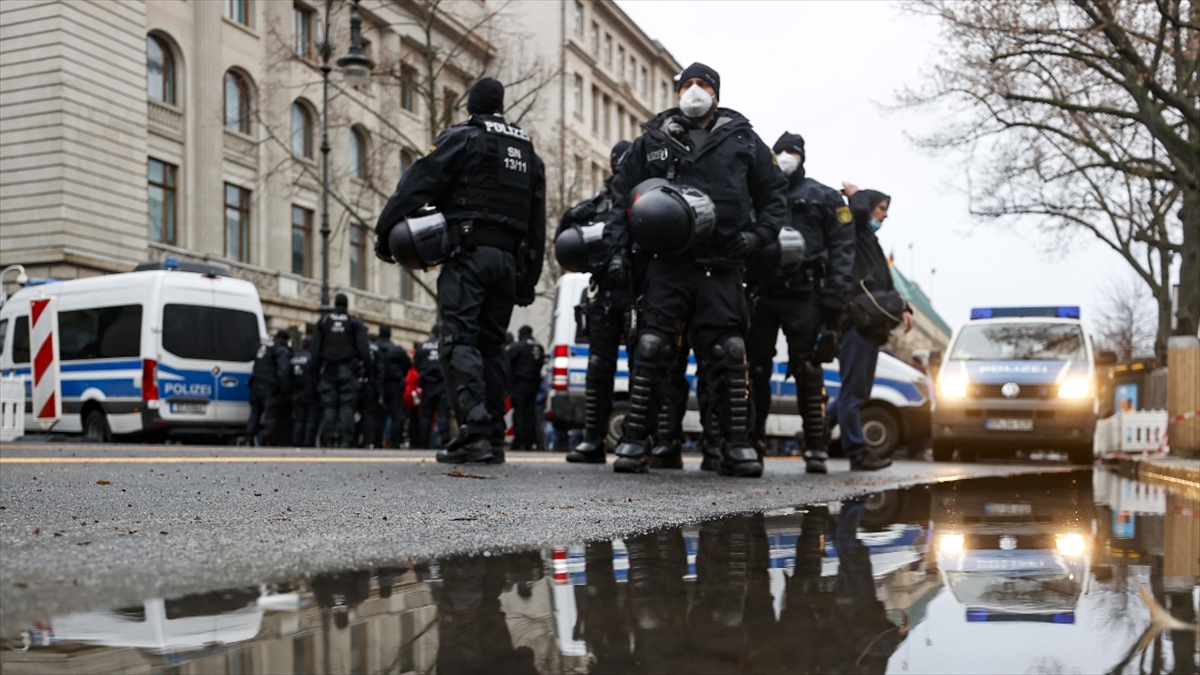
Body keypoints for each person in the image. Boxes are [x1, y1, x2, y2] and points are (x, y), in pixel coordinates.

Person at [604, 62, 788, 477]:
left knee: (728, 352)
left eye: (702, 84)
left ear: (716, 94)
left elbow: (774, 194)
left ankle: (734, 444)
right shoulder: (652, 140)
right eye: (686, 84)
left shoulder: (743, 140)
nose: (693, 90)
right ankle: (636, 441)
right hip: (667, 265)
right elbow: (622, 197)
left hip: (721, 265)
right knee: (651, 348)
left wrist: (758, 237)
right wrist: (617, 251)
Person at [375, 77, 546, 464]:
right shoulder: (527, 151)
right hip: (507, 261)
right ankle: (494, 438)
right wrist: (528, 278)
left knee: (457, 341)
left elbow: (416, 184)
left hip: (469, 255)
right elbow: (538, 223)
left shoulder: (464, 137)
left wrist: (385, 230)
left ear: (470, 106)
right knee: (490, 346)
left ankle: (476, 432)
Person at [746, 132, 855, 474]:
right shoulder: (759, 194)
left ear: (803, 157)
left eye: (793, 152)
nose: (787, 157)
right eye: (781, 152)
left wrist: (835, 299)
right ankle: (751, 443)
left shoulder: (823, 197)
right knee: (756, 369)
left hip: (805, 293)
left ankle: (816, 447)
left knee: (807, 370)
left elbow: (842, 249)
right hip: (764, 291)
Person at [828, 186, 912, 471]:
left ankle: (813, 435)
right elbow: (859, 210)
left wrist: (905, 308)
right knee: (854, 395)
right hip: (856, 326)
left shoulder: (872, 245)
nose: (885, 216)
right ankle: (857, 453)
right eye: (882, 208)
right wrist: (858, 192)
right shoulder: (856, 233)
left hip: (869, 329)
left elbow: (888, 287)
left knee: (853, 393)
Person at [560, 140, 633, 464]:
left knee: (646, 366)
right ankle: (593, 439)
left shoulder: (646, 197)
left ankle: (647, 439)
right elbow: (569, 244)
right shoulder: (599, 202)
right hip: (603, 293)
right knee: (598, 367)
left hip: (637, 291)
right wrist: (570, 219)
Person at [311, 293, 372, 448]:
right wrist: (367, 371)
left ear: (334, 304)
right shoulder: (354, 323)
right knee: (347, 405)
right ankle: (345, 439)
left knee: (329, 406)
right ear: (346, 305)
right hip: (348, 369)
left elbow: (315, 350)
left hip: (328, 369)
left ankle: (329, 438)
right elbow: (364, 350)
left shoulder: (324, 322)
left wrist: (315, 373)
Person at [246, 330, 292, 446]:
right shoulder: (280, 350)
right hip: (270, 388)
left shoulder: (263, 347)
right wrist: (282, 388)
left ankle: (249, 438)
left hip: (256, 385)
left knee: (255, 414)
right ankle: (268, 440)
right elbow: (284, 371)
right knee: (270, 416)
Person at [506, 325, 544, 450]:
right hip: (534, 384)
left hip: (519, 384)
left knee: (519, 412)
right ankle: (530, 440)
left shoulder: (518, 347)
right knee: (530, 412)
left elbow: (508, 363)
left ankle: (519, 440)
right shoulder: (538, 347)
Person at [374, 324, 412, 449]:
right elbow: (407, 365)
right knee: (397, 416)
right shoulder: (397, 350)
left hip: (377, 384)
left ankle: (376, 441)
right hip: (394, 384)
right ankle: (396, 442)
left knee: (377, 414)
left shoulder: (374, 348)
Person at [413, 325, 450, 449]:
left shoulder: (422, 346)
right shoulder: (446, 345)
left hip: (427, 384)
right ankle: (445, 442)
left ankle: (423, 443)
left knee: (426, 416)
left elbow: (416, 363)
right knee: (443, 414)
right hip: (442, 384)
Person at [291, 336, 319, 447]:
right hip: (310, 390)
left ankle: (296, 440)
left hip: (297, 390)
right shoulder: (312, 357)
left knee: (299, 419)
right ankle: (308, 442)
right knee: (310, 419)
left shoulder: (295, 357)